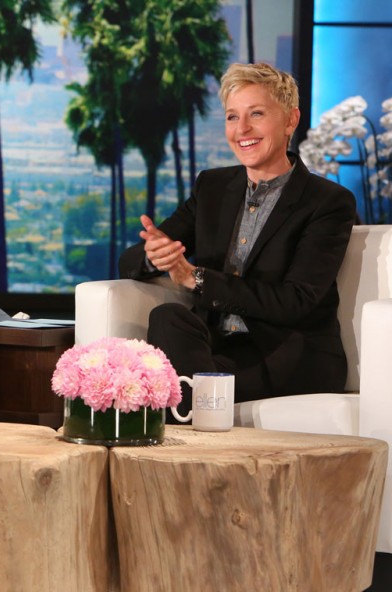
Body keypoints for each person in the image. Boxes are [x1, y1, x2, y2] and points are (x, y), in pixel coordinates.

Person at [118, 62, 357, 419]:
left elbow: (297, 301)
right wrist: (156, 254)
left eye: (256, 114)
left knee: (184, 385)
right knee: (168, 318)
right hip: (216, 350)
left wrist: (195, 278)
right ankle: (195, 414)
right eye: (232, 117)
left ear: (290, 120)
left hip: (285, 356)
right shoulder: (212, 186)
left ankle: (187, 424)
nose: (242, 129)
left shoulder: (327, 201)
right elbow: (130, 261)